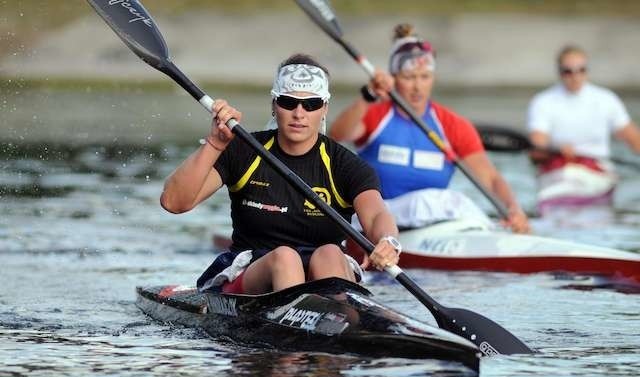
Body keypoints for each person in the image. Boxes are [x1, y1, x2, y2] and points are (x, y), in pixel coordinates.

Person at [160, 53, 401, 295]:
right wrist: (215, 143)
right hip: (254, 271)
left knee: (329, 252)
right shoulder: (245, 150)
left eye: (311, 104)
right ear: (274, 105)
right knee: (286, 258)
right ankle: (302, 321)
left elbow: (377, 213)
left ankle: (338, 318)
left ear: (324, 108)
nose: (299, 113)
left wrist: (388, 241)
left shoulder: (344, 165)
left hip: (326, 270)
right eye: (288, 102)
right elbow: (174, 202)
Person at [329, 23, 530, 234]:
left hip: (429, 226)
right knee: (436, 201)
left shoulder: (452, 125)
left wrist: (513, 209)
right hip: (375, 217)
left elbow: (490, 178)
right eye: (409, 78)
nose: (417, 86)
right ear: (394, 77)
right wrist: (368, 96)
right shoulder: (376, 114)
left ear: (433, 78)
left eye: (424, 77)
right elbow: (338, 134)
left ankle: (498, 233)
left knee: (439, 203)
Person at [527, 45, 640, 210]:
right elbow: (537, 146)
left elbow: (633, 138)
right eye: (568, 71)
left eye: (581, 70)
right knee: (561, 170)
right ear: (559, 72)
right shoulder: (542, 101)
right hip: (558, 165)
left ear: (587, 71)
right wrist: (556, 148)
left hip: (596, 168)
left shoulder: (606, 99)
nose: (575, 76)